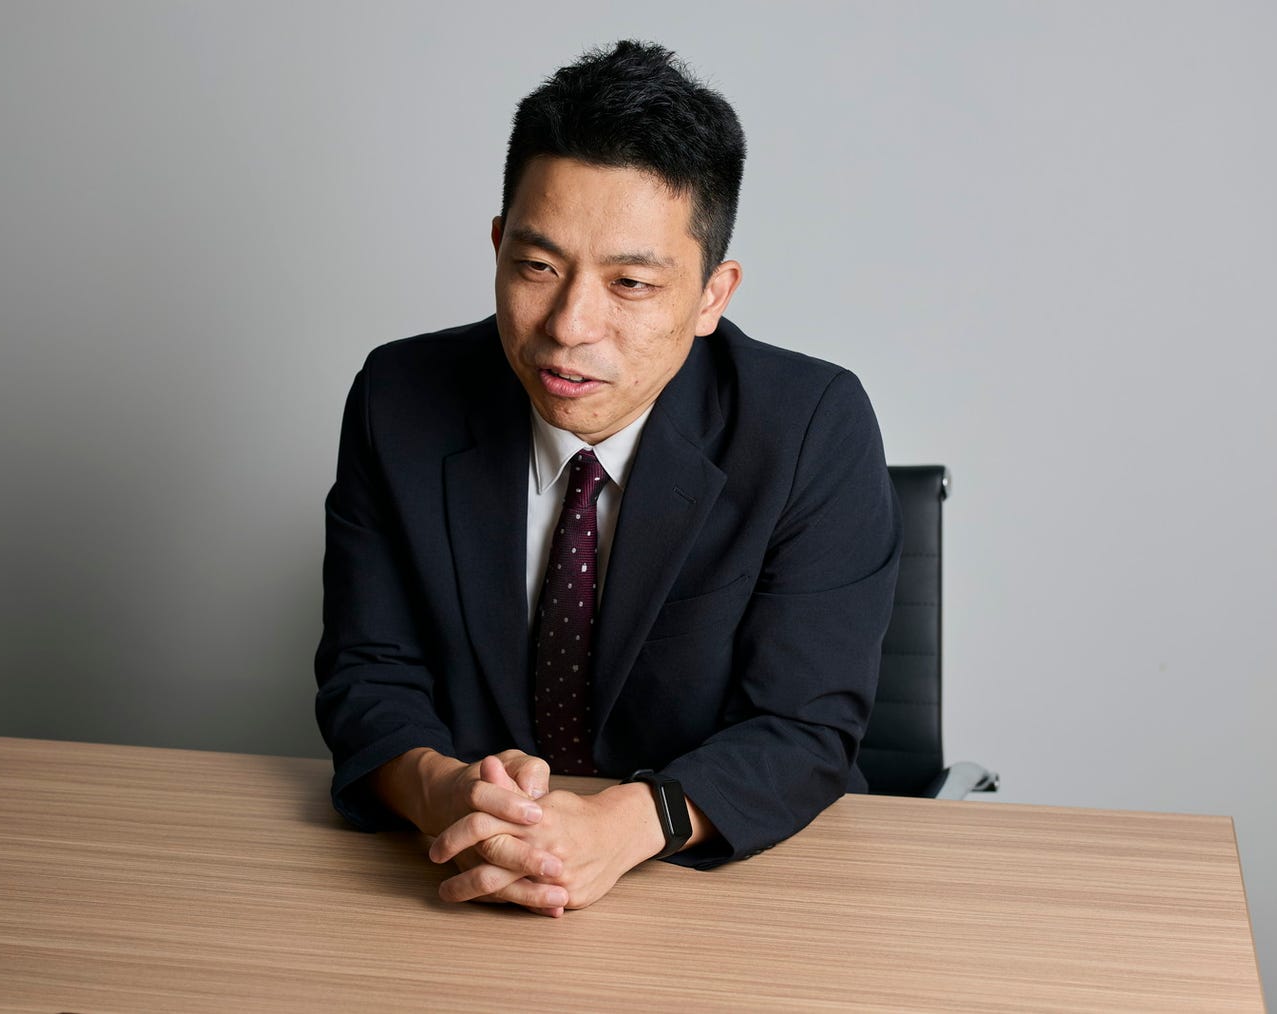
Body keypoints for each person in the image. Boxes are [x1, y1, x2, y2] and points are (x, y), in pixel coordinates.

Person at [315, 39, 901, 917]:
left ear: (712, 295)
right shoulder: (398, 400)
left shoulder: (811, 426)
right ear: (497, 244)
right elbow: (368, 673)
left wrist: (622, 827)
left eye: (629, 283)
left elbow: (804, 725)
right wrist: (440, 790)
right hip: (454, 881)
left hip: (723, 893)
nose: (568, 326)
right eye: (536, 267)